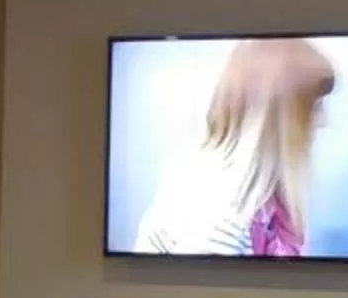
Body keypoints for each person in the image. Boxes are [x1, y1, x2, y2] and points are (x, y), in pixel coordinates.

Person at [132, 37, 337, 257]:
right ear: (276, 120)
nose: (324, 121)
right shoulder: (221, 209)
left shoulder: (259, 200)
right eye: (314, 107)